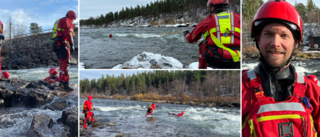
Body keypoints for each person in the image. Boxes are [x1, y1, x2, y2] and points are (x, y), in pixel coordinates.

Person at [242, 0, 320, 137]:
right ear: (258, 39)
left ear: (296, 43)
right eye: (269, 34)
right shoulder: (242, 88)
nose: (275, 43)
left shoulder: (312, 91)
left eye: (284, 36)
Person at [184, 0, 240, 69]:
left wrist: (186, 34)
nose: (210, 9)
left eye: (211, 7)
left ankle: (202, 69)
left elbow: (191, 39)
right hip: (237, 58)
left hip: (217, 57)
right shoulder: (237, 17)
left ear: (214, 6)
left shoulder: (210, 19)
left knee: (203, 44)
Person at [52, 10, 76, 91]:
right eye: (73, 19)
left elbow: (56, 32)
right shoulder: (67, 20)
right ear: (71, 16)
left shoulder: (58, 21)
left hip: (56, 44)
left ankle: (61, 82)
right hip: (63, 43)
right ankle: (65, 84)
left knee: (62, 63)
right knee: (66, 63)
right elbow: (68, 32)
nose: (72, 21)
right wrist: (72, 44)